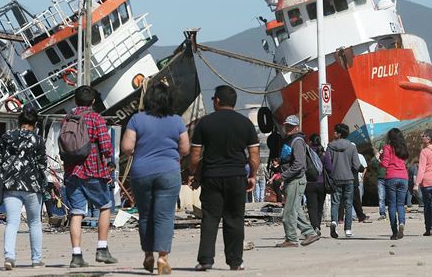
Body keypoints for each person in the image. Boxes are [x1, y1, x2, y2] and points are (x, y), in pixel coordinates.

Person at [188, 85, 260, 271]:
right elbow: (254, 155)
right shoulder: (245, 124)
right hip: (236, 176)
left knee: (210, 218)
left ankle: (205, 260)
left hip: (211, 176)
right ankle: (235, 262)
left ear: (217, 101)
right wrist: (252, 176)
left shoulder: (205, 123)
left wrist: (194, 175)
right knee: (235, 219)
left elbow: (195, 156)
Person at [121, 81, 189, 274]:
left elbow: (127, 147)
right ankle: (163, 258)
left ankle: (148, 254)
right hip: (168, 172)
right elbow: (185, 148)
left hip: (141, 172)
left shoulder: (137, 119)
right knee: (164, 216)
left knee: (146, 215)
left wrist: (140, 151)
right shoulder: (176, 120)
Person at [63, 85, 117, 268]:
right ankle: (102, 249)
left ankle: (76, 255)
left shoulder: (67, 118)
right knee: (104, 206)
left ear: (75, 101)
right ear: (93, 101)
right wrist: (109, 161)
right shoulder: (96, 118)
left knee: (77, 212)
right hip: (94, 170)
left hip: (72, 171)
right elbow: (106, 147)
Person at [0, 105, 46, 270]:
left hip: (10, 185)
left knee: (12, 223)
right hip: (32, 186)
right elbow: (42, 165)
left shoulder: (6, 136)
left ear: (19, 121)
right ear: (35, 123)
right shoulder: (38, 140)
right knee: (34, 223)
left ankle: (9, 257)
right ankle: (36, 260)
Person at [275, 115, 321, 247]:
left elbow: (299, 164)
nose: (288, 128)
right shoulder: (289, 140)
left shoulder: (297, 141)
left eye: (291, 126)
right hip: (292, 179)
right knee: (296, 209)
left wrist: (283, 176)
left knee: (289, 212)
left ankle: (291, 239)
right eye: (287, 125)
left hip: (296, 179)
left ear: (297, 127)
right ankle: (309, 233)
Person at [324, 123, 362, 238]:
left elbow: (327, 162)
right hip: (349, 178)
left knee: (335, 203)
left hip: (336, 178)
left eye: (335, 131)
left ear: (339, 133)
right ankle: (348, 229)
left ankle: (334, 221)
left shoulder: (330, 146)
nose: (333, 133)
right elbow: (356, 165)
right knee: (348, 204)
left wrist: (332, 171)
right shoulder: (352, 147)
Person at [379, 128, 409, 240]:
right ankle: (402, 223)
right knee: (401, 204)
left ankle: (394, 231)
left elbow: (385, 163)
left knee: (392, 205)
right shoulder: (403, 148)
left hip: (391, 177)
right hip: (404, 177)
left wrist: (379, 160)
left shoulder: (387, 147)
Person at [304, 134, 329, 235]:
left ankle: (315, 227)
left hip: (309, 183)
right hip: (322, 183)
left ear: (310, 142)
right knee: (319, 206)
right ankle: (317, 226)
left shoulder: (306, 153)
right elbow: (330, 168)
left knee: (311, 207)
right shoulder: (324, 154)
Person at [370, 147, 387, 220]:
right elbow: (372, 162)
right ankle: (382, 213)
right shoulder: (378, 161)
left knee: (390, 197)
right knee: (381, 197)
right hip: (381, 180)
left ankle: (392, 212)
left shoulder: (388, 160)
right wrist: (378, 153)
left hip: (389, 179)